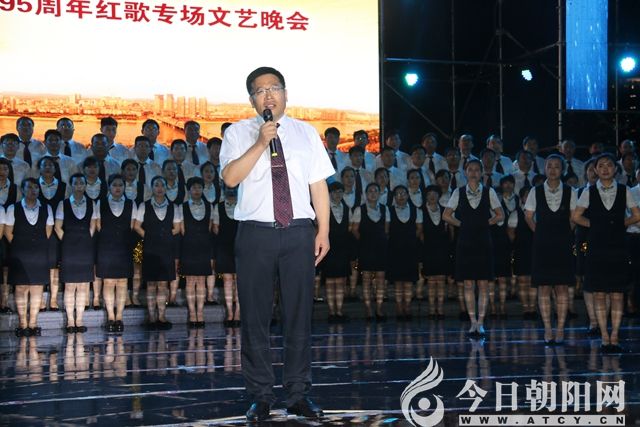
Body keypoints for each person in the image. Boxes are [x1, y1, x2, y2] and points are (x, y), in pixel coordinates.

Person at [220, 66, 333, 421]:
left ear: (285, 93)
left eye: (274, 88)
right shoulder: (238, 133)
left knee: (299, 316)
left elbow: (318, 185)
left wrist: (323, 231)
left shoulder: (306, 132)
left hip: (298, 231)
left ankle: (298, 394)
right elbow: (230, 178)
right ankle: (261, 396)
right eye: (260, 90)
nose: (268, 95)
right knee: (255, 318)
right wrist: (260, 143)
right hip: (255, 233)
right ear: (251, 99)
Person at [572, 153, 640, 352]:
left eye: (609, 165)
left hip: (618, 246)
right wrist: (596, 225)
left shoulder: (624, 190)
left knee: (617, 294)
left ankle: (615, 337)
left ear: (615, 169)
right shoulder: (589, 191)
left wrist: (619, 224)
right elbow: (576, 216)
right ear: (595, 170)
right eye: (600, 165)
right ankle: (604, 337)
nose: (605, 168)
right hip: (597, 246)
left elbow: (637, 215)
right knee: (599, 294)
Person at [443, 159, 504, 336]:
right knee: (468, 283)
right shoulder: (458, 192)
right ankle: (472, 322)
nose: (474, 172)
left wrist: (485, 223)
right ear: (465, 172)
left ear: (482, 172)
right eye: (470, 169)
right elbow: (446, 215)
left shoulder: (489, 191)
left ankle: (481, 322)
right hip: (465, 241)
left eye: (477, 169)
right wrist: (462, 224)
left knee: (483, 283)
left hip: (483, 241)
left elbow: (500, 215)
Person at [525, 154, 576, 345]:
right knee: (544, 287)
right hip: (542, 245)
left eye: (556, 166)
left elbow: (574, 217)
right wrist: (540, 232)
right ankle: (547, 328)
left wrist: (564, 233)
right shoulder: (535, 190)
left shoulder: (571, 191)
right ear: (544, 169)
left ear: (562, 170)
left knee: (562, 287)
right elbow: (528, 216)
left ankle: (560, 328)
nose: (553, 169)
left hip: (563, 244)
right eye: (549, 166)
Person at [5, 178, 54, 336]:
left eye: (36, 187)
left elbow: (48, 231)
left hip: (39, 253)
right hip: (20, 253)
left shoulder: (46, 208)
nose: (33, 190)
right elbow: (8, 232)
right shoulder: (13, 208)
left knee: (37, 287)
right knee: (21, 287)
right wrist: (21, 245)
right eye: (29, 187)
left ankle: (33, 323)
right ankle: (22, 324)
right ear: (23, 190)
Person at [134, 176, 182, 330]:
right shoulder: (144, 205)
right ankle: (151, 317)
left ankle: (161, 316)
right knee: (151, 284)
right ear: (152, 188)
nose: (160, 188)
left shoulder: (174, 207)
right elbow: (136, 226)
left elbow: (177, 228)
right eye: (156, 185)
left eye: (162, 185)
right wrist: (150, 236)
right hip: (150, 249)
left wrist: (164, 236)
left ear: (166, 188)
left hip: (166, 248)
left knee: (163, 284)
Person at [55, 173, 97, 333]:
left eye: (82, 183)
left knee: (83, 286)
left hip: (85, 248)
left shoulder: (92, 203)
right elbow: (57, 227)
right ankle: (70, 322)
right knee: (70, 286)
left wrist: (84, 239)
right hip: (69, 249)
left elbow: (93, 226)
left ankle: (79, 320)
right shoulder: (63, 204)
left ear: (86, 185)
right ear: (71, 185)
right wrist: (68, 240)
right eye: (76, 183)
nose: (79, 185)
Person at [96, 174, 136, 332]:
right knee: (108, 282)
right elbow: (98, 225)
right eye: (114, 185)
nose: (118, 188)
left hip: (124, 246)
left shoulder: (131, 204)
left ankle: (119, 317)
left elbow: (132, 226)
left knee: (122, 283)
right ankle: (110, 317)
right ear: (109, 187)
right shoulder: (101, 203)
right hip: (106, 246)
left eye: (120, 185)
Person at [352, 183, 389, 321]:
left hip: (381, 248)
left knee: (380, 280)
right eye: (370, 191)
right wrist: (365, 240)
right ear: (365, 194)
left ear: (379, 194)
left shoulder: (385, 209)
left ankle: (379, 308)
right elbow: (354, 230)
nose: (373, 193)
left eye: (376, 191)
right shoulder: (359, 210)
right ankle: (368, 309)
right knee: (366, 279)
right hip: (366, 248)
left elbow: (386, 229)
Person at [181, 177, 213, 328]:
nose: (196, 190)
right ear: (189, 190)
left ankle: (200, 313)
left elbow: (210, 227)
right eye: (193, 188)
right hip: (188, 247)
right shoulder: (182, 207)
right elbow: (181, 229)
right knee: (190, 281)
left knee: (201, 281)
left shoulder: (210, 206)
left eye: (199, 187)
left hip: (204, 247)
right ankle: (192, 314)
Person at [388, 185, 423, 320]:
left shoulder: (416, 210)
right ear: (394, 197)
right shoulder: (389, 210)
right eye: (398, 193)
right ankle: (399, 308)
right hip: (394, 250)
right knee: (398, 282)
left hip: (410, 250)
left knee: (408, 281)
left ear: (408, 195)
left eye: (403, 193)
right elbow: (386, 229)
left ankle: (407, 308)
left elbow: (419, 229)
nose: (401, 196)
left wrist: (409, 239)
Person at [37, 156, 67, 312]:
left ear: (55, 169)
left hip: (57, 231)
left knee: (54, 267)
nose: (48, 167)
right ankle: (41, 300)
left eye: (51, 165)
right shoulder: (33, 185)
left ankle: (53, 299)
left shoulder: (63, 186)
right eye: (45, 165)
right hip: (37, 231)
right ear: (40, 169)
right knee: (40, 265)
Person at [320, 182, 353, 322]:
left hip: (343, 248)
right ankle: (331, 312)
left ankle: (339, 312)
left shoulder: (348, 209)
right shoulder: (324, 209)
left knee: (340, 282)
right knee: (329, 282)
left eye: (340, 192)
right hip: (329, 248)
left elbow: (350, 228)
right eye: (334, 192)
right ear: (329, 194)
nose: (337, 194)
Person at [421, 185, 450, 318]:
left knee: (441, 281)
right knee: (431, 282)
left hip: (442, 250)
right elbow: (420, 233)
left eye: (435, 194)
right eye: (429, 194)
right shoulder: (421, 211)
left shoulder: (445, 211)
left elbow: (450, 232)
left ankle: (441, 309)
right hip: (428, 250)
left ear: (439, 196)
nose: (432, 196)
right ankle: (432, 310)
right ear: (426, 196)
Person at [507, 186, 536, 319]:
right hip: (521, 251)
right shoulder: (516, 214)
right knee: (523, 281)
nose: (529, 198)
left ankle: (533, 308)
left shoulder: (539, 212)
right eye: (526, 195)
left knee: (534, 281)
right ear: (522, 198)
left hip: (536, 251)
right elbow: (511, 233)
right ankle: (526, 309)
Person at [213, 187, 240, 327]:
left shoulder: (243, 204)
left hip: (241, 247)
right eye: (229, 187)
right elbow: (215, 228)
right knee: (227, 280)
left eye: (234, 188)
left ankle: (238, 313)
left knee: (239, 281)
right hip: (224, 246)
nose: (231, 190)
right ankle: (230, 312)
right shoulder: (218, 207)